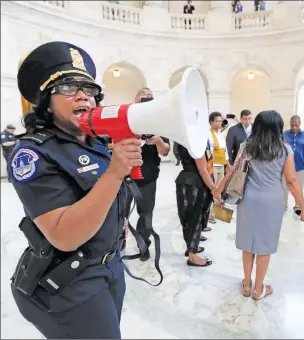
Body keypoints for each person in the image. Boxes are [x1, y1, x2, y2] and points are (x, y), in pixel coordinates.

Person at [9, 41, 143, 338]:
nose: (83, 94)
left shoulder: (96, 144)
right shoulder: (32, 154)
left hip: (109, 266)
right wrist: (115, 172)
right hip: (69, 281)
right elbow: (64, 236)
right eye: (68, 87)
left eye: (89, 88)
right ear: (46, 101)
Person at [214, 111, 304, 300]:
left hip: (248, 198)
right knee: (265, 245)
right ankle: (259, 289)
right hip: (272, 200)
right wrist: (303, 206)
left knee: (248, 243)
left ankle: (247, 284)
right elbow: (291, 180)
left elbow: (234, 170)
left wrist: (218, 189)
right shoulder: (285, 149)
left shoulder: (247, 146)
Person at [123, 87, 170, 262]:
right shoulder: (126, 119)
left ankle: (144, 245)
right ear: (135, 100)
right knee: (121, 213)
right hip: (125, 176)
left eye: (149, 96)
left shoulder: (159, 123)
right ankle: (118, 246)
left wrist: (158, 141)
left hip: (148, 176)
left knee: (146, 213)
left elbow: (165, 152)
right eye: (142, 95)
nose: (145, 98)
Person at [176, 140, 221, 267]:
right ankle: (193, 256)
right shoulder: (196, 141)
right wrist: (214, 189)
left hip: (186, 180)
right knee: (194, 219)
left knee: (188, 218)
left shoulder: (182, 137)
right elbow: (203, 170)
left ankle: (190, 248)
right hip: (195, 183)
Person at [283, 115, 304, 215]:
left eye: (296, 125)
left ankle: (298, 206)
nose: (294, 127)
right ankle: (283, 205)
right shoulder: (283, 135)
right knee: (283, 187)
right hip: (285, 167)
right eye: (292, 125)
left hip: (300, 167)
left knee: (299, 187)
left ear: (300, 124)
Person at [207, 112, 231, 225]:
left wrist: (227, 163)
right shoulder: (208, 134)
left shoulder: (220, 134)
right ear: (211, 122)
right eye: (217, 121)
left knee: (219, 190)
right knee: (213, 190)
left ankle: (216, 212)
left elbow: (224, 150)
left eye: (221, 121)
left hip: (221, 165)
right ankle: (209, 214)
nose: (220, 123)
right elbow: (208, 151)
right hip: (213, 166)